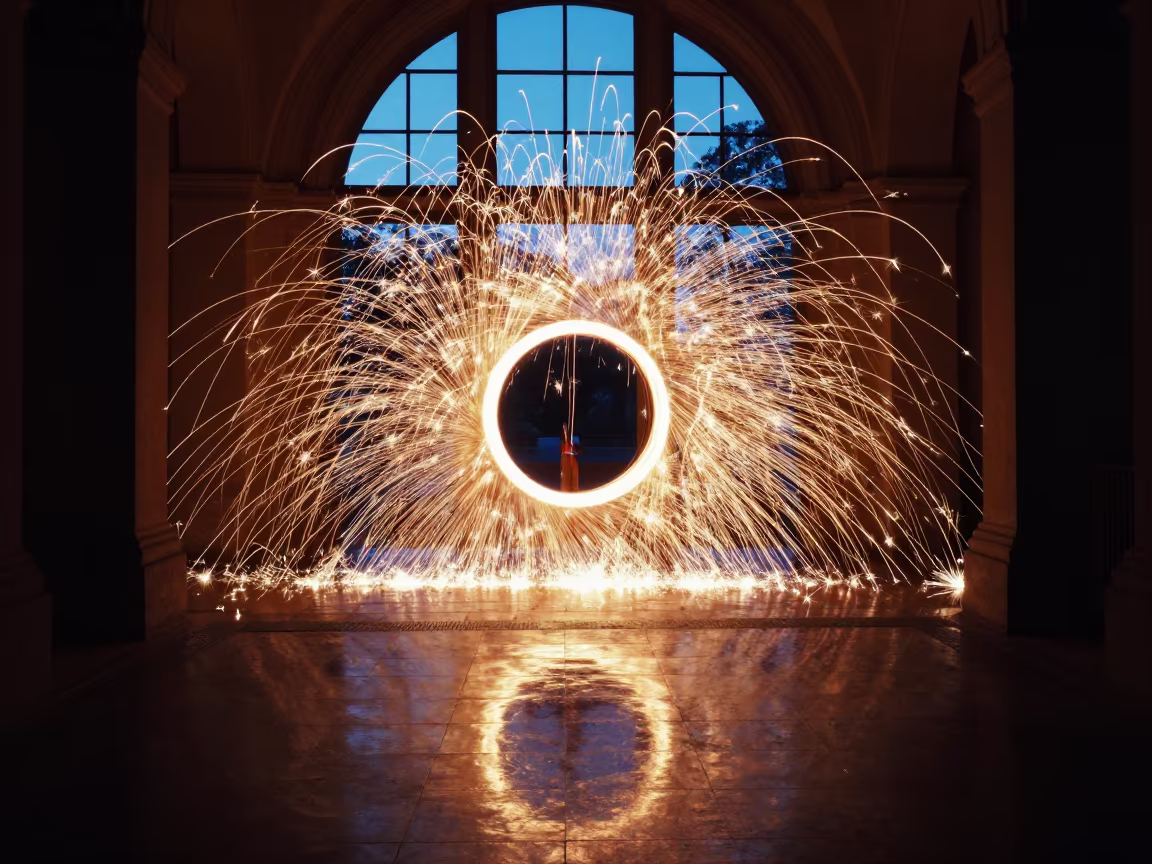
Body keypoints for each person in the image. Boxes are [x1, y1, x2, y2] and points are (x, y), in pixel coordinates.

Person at [560, 423, 581, 492]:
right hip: (567, 456)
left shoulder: (572, 459)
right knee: (567, 478)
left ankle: (572, 490)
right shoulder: (566, 456)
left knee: (572, 477)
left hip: (569, 456)